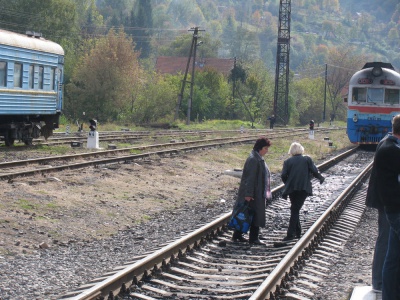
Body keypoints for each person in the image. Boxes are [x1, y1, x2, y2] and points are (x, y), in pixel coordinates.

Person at [374, 114, 400, 300]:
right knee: (392, 259)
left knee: (392, 258)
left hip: (393, 209)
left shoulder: (388, 145)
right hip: (396, 209)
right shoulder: (391, 149)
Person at [231, 137, 272, 245]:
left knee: (247, 213)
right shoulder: (254, 159)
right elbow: (250, 178)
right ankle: (253, 238)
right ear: (260, 148)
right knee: (255, 215)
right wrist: (248, 194)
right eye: (266, 148)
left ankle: (237, 235)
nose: (267, 151)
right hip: (254, 193)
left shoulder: (256, 157)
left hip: (256, 192)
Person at [280, 142, 324, 241]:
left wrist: (287, 183)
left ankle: (292, 233)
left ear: (291, 150)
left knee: (294, 209)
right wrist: (320, 178)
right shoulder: (307, 159)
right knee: (295, 209)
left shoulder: (287, 161)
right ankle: (295, 233)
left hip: (292, 189)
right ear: (301, 149)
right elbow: (314, 170)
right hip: (303, 188)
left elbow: (283, 175)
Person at [365, 133, 390, 293]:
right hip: (389, 204)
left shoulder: (385, 143)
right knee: (386, 240)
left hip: (386, 203)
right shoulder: (389, 147)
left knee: (385, 240)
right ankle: (379, 282)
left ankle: (380, 281)